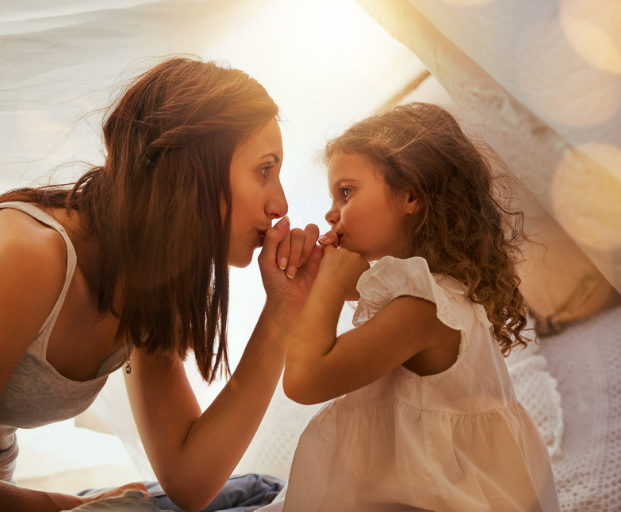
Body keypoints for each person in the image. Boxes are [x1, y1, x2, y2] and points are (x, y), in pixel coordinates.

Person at [0, 56, 322, 512]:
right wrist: (66, 505)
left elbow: (190, 480)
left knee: (260, 492)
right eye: (264, 169)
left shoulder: (148, 289)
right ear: (193, 168)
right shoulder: (28, 255)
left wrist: (283, 310)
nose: (280, 203)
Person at [266, 103, 561, 511]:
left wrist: (330, 282)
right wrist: (322, 277)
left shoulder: (422, 309)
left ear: (410, 195)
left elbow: (303, 381)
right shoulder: (426, 292)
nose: (331, 212)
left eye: (346, 192)